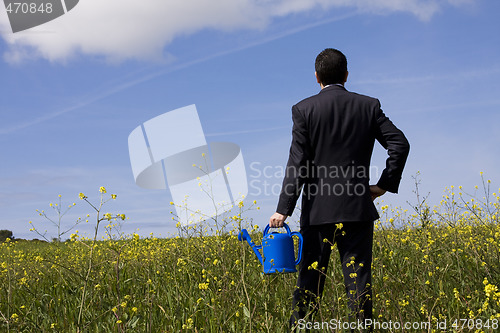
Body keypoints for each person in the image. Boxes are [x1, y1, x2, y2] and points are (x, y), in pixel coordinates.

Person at [269, 48, 410, 332]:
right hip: (357, 210)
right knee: (359, 286)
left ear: (317, 77)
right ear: (346, 75)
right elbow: (400, 144)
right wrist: (383, 185)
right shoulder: (368, 105)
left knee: (309, 287)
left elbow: (297, 163)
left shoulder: (304, 109)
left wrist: (283, 209)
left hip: (318, 214)